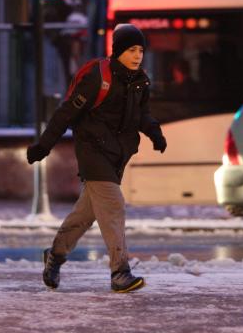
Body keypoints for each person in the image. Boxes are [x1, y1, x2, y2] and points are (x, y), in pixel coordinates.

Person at [26, 23, 167, 293]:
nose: (137, 56)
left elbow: (142, 114)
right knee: (113, 204)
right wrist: (43, 146)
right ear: (118, 51)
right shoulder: (97, 76)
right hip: (92, 150)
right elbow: (65, 113)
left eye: (140, 50)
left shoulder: (139, 81)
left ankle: (55, 255)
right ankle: (120, 272)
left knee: (84, 214)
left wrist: (155, 134)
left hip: (118, 154)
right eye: (131, 50)